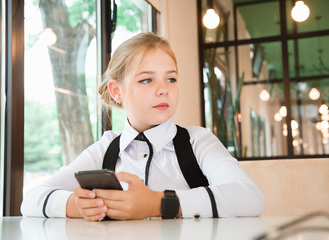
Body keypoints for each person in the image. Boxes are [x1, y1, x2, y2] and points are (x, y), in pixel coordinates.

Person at [20, 32, 264, 221]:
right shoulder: (105, 149)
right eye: (146, 80)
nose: (163, 89)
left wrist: (161, 203)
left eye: (171, 78)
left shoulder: (197, 141)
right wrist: (74, 206)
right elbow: (30, 199)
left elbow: (251, 198)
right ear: (117, 91)